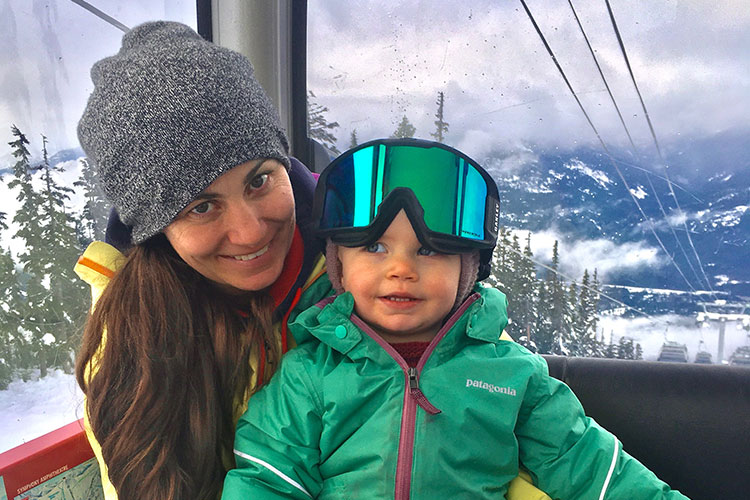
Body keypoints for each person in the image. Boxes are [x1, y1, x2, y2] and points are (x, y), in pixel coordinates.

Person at [222, 138, 690, 499]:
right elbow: (267, 478)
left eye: (429, 251)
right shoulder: (310, 375)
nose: (401, 269)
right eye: (375, 248)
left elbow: (589, 465)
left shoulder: (510, 374)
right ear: (338, 265)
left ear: (468, 273)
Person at [73, 21, 331, 500]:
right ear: (155, 231)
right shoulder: (130, 343)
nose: (252, 230)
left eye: (259, 181)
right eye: (202, 206)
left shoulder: (376, 258)